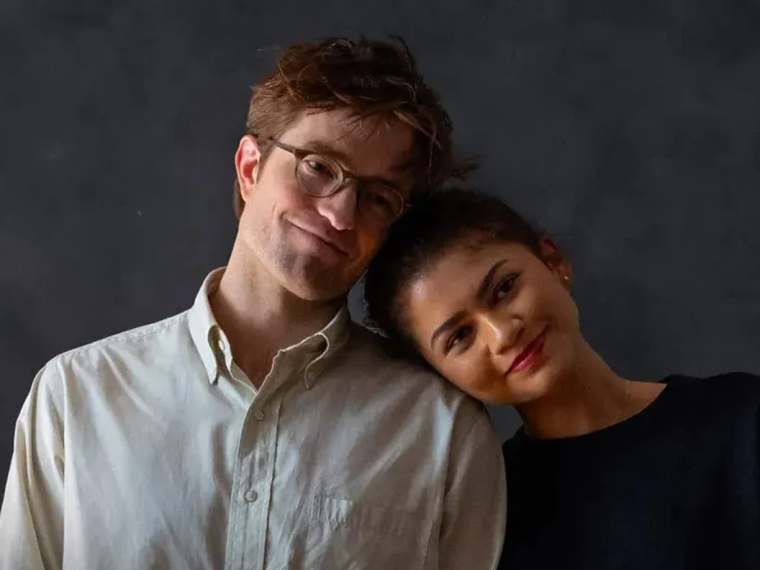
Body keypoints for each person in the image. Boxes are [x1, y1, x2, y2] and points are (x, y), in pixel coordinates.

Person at [0, 39, 506, 569]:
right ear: (249, 167)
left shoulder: (442, 429)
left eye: (377, 197)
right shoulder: (76, 396)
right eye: (318, 167)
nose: (339, 214)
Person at [364, 188, 760, 570]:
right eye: (460, 337)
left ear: (553, 261)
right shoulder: (487, 516)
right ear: (439, 373)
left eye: (504, 288)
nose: (503, 334)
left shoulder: (741, 418)